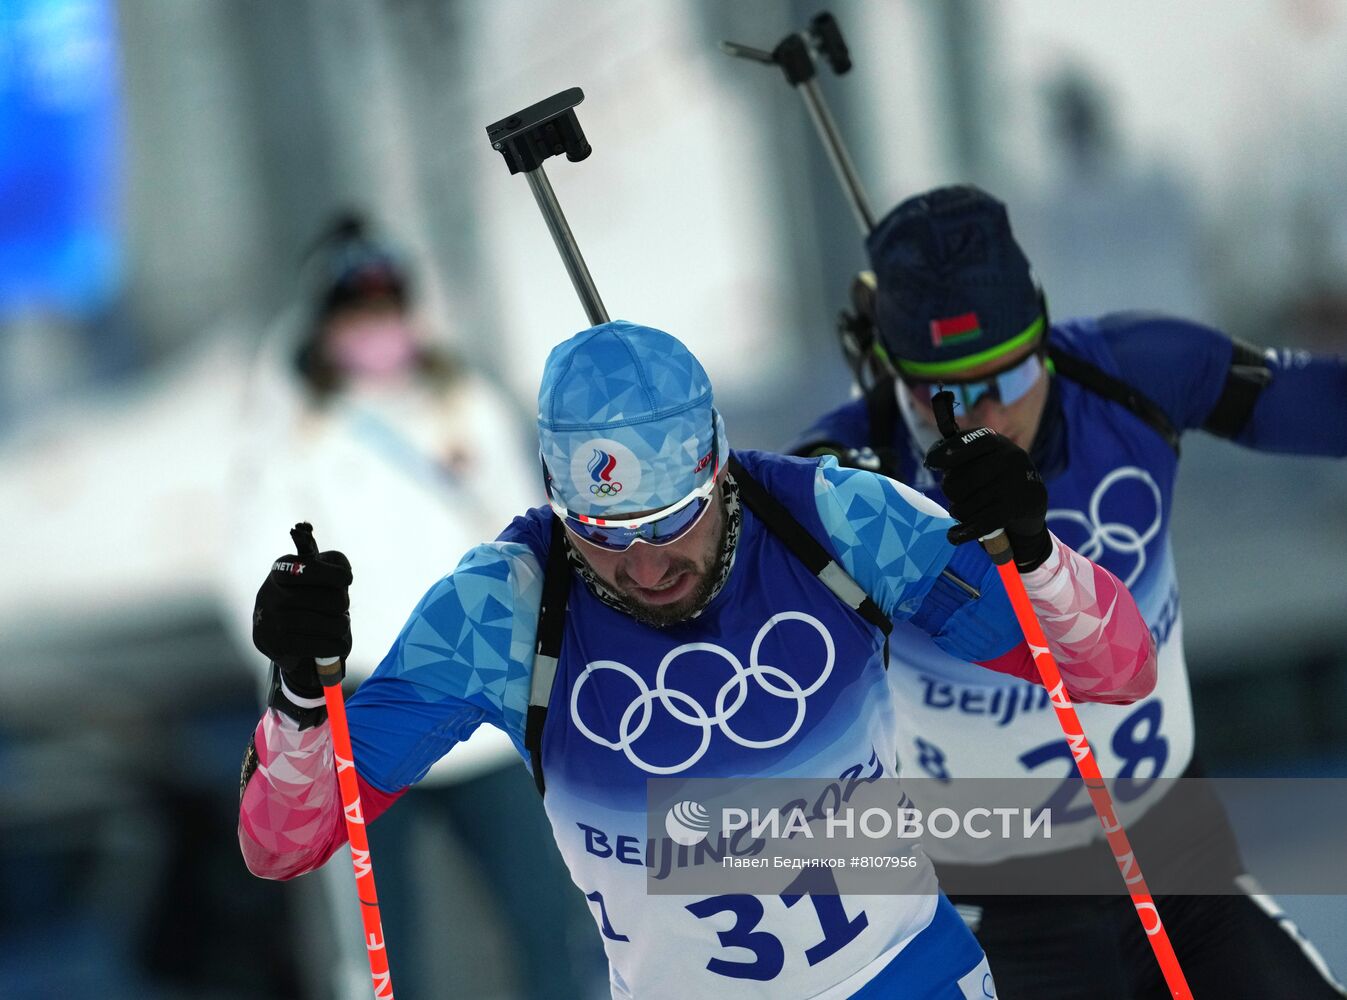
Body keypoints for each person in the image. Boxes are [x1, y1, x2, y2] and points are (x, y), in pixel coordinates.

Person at [237, 318, 1158, 999]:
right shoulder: (506, 605)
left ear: (716, 465)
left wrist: (1031, 553)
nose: (642, 565)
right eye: (600, 533)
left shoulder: (829, 520)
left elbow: (1114, 669)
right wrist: (296, 696)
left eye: (669, 521)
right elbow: (287, 843)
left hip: (903, 978)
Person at [791, 184, 1347, 999]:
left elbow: (1322, 407)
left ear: (1045, 336)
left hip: (1178, 863)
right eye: (943, 394)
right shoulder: (850, 481)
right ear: (896, 378)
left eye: (1010, 376)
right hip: (1002, 908)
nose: (985, 412)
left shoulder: (1132, 372)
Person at [222, 215, 604, 999]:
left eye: (386, 310)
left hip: (484, 708)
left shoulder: (462, 403)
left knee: (550, 927)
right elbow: (252, 575)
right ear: (325, 326)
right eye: (356, 316)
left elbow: (527, 530)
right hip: (358, 709)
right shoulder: (292, 434)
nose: (375, 330)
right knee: (380, 957)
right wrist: (294, 672)